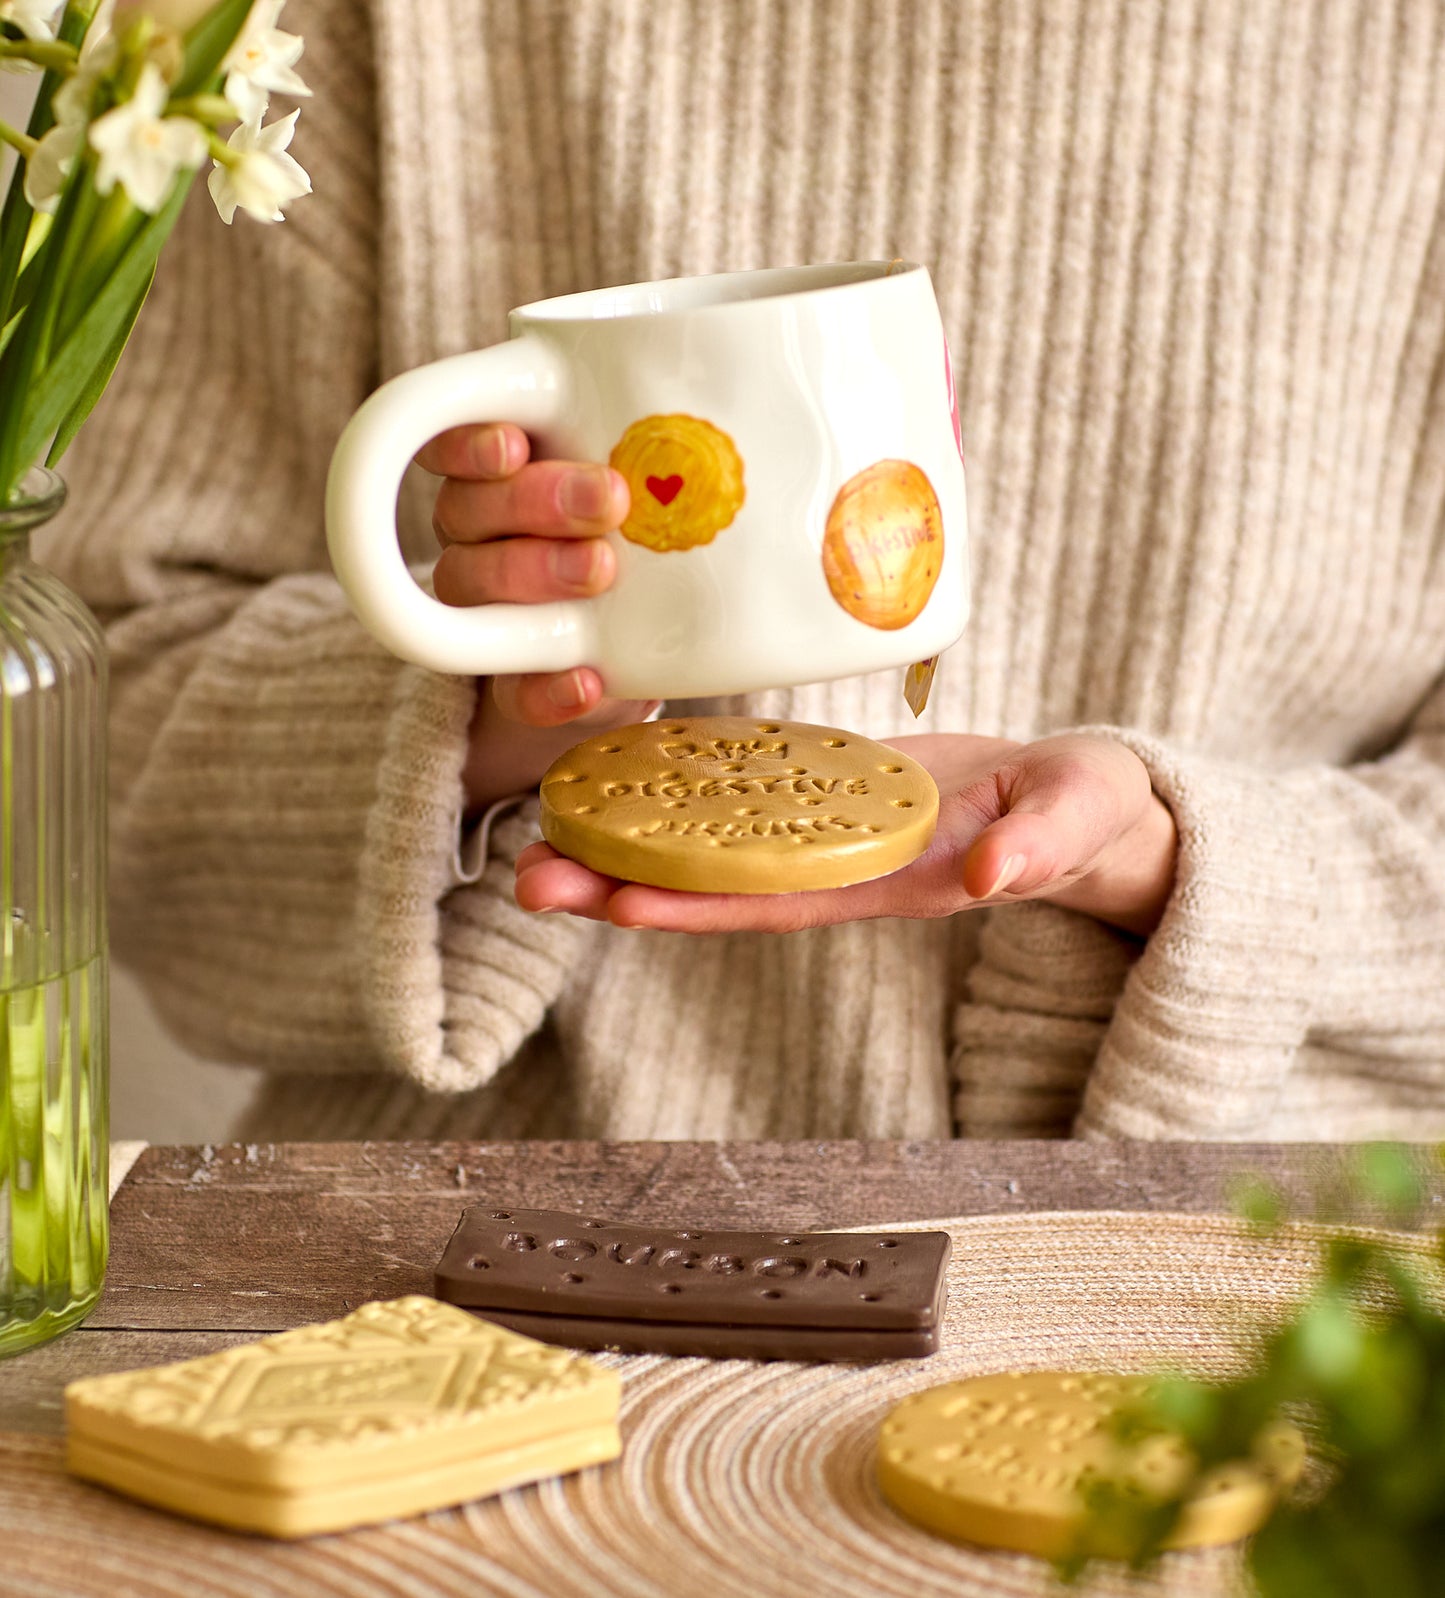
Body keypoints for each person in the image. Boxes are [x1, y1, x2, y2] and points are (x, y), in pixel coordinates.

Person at [41, 0, 1445, 1142]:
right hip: (464, 1245)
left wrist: (1179, 860)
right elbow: (90, 710)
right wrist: (479, 710)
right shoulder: (358, 26)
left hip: (1238, 1261)